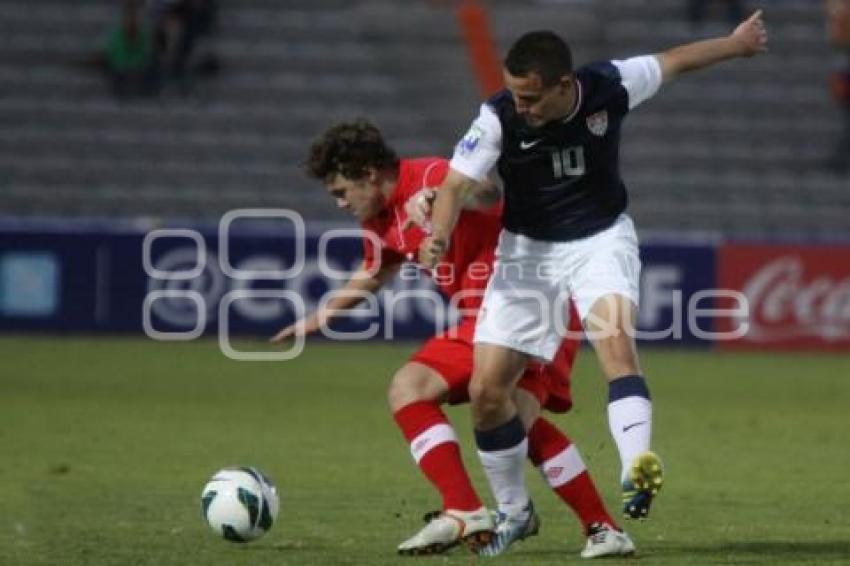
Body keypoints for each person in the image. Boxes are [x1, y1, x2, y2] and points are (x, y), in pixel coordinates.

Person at [417, 10, 768, 555]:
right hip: (526, 254)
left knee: (616, 348)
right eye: (515, 95)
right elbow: (458, 184)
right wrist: (438, 237)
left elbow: (674, 61)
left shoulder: (610, 84)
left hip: (600, 240)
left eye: (531, 97)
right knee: (488, 393)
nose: (522, 107)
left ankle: (636, 468)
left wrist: (735, 44)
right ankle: (514, 512)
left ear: (564, 86)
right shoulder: (498, 115)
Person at [271, 120, 634, 558]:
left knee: (508, 416)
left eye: (341, 191)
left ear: (368, 172)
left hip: (530, 306)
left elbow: (487, 192)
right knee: (445, 399)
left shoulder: (427, 175)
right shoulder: (380, 220)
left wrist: (446, 196)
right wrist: (321, 317)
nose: (341, 202)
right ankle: (478, 510)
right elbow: (376, 270)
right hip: (482, 323)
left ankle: (581, 525)